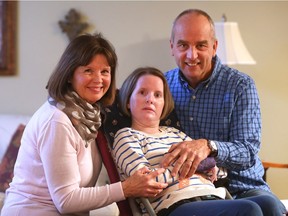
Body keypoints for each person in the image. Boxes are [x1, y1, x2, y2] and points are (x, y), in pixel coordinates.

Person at [1, 33, 168, 216]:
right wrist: (126, 188)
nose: (98, 80)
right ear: (69, 75)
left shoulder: (91, 116)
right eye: (88, 70)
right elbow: (66, 201)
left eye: (105, 71)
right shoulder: (58, 120)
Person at [161, 8, 287, 215]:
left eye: (201, 45)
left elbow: (248, 151)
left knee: (271, 207)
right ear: (172, 47)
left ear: (214, 47)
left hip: (244, 185)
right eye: (183, 45)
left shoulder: (241, 86)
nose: (191, 55)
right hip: (193, 189)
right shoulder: (161, 88)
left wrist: (208, 146)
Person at [112, 66, 281, 216]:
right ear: (128, 101)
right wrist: (196, 167)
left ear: (164, 104)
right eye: (142, 92)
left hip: (211, 197)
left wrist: (207, 166)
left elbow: (219, 171)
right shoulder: (126, 136)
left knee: (268, 204)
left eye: (158, 95)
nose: (150, 99)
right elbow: (146, 181)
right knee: (249, 210)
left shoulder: (176, 133)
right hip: (174, 205)